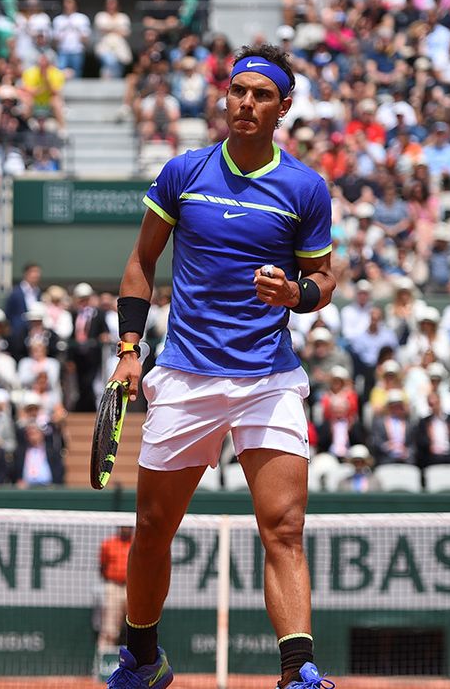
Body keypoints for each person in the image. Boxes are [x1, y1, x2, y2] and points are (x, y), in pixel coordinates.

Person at [105, 44, 336, 689]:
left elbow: (324, 278)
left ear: (283, 107)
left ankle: (298, 672)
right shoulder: (184, 172)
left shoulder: (304, 188)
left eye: (261, 96)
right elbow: (138, 266)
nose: (245, 104)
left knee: (284, 528)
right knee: (152, 528)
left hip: (268, 378)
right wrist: (130, 352)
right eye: (238, 92)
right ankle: (143, 660)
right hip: (186, 373)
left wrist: (299, 295)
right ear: (225, 97)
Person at [98, 526, 134, 651]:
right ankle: (102, 662)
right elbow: (102, 567)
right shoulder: (108, 544)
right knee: (109, 627)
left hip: (134, 588)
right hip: (114, 586)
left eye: (129, 527)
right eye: (124, 527)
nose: (126, 529)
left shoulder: (137, 544)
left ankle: (140, 665)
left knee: (138, 627)